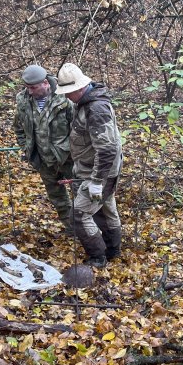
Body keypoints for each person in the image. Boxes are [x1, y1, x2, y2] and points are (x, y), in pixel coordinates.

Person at [55, 63, 122, 268]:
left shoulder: (96, 108)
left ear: (79, 88)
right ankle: (112, 251)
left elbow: (107, 149)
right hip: (91, 169)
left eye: (68, 92)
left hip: (101, 173)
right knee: (105, 210)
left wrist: (96, 182)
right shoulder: (85, 102)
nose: (66, 97)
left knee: (79, 214)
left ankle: (98, 257)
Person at [14, 64, 75, 234]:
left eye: (33, 87)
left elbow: (78, 129)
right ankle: (71, 230)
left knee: (82, 196)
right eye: (27, 87)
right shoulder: (23, 100)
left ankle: (89, 232)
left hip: (69, 158)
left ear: (46, 83)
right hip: (42, 159)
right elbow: (19, 128)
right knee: (57, 197)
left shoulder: (65, 98)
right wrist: (26, 148)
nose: (30, 91)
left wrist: (71, 150)